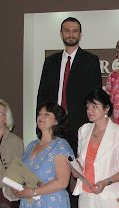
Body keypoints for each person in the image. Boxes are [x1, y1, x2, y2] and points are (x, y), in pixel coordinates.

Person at [36, 17, 102, 153]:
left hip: (80, 124)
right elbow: (42, 94)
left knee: (76, 162)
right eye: (67, 31)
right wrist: (41, 123)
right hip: (53, 123)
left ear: (80, 34)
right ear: (61, 34)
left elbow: (95, 95)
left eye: (75, 31)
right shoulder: (50, 61)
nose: (71, 34)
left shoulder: (90, 60)